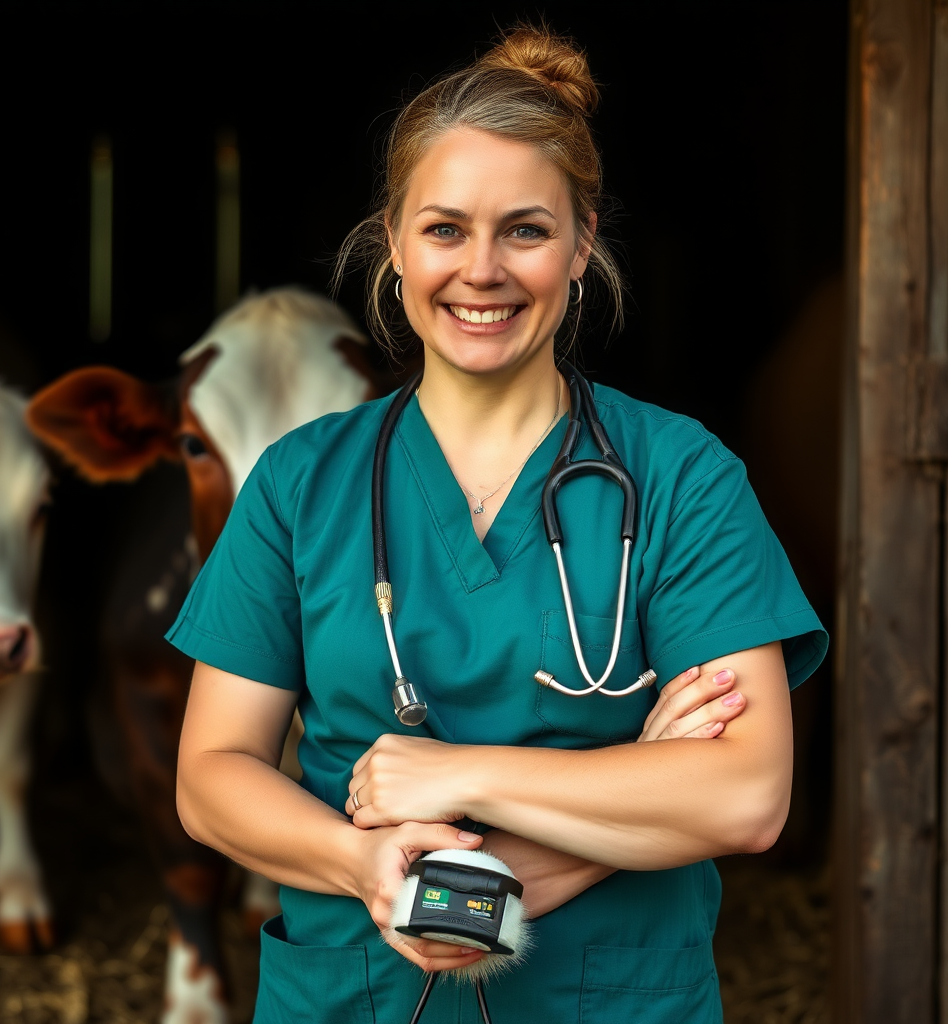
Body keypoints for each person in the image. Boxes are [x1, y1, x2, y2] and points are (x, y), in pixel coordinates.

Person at [169, 26, 827, 1024]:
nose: (481, 271)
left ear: (582, 241)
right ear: (392, 241)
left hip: (610, 999)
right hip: (356, 993)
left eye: (524, 229)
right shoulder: (299, 483)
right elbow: (212, 776)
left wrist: (453, 773)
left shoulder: (682, 477)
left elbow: (745, 798)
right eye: (443, 229)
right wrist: (368, 864)